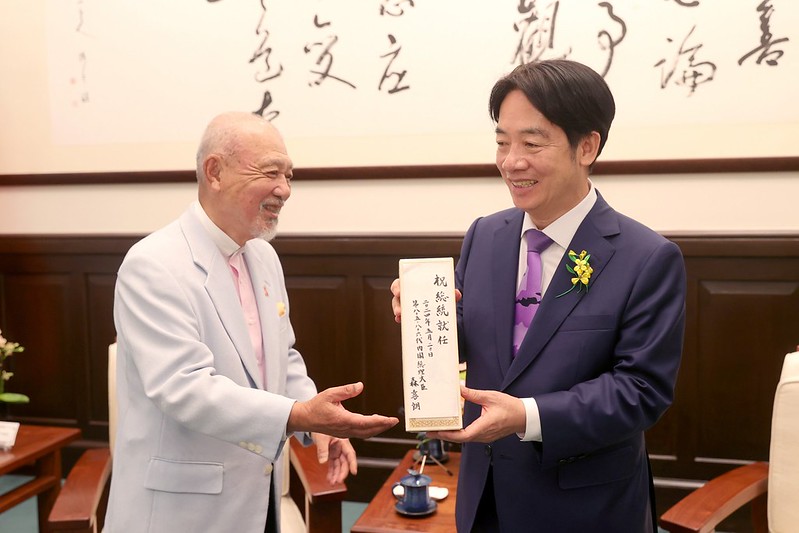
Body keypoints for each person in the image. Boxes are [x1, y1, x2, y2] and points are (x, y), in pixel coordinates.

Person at [391, 59, 686, 532]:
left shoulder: (647, 257)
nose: (512, 162)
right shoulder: (485, 234)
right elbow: (469, 336)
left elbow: (640, 390)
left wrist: (526, 416)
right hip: (484, 496)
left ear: (587, 146)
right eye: (502, 143)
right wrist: (424, 314)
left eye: (531, 143)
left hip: (585, 510)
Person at [107, 111, 398, 532]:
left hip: (257, 499)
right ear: (215, 172)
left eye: (289, 175)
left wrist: (320, 422)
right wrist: (299, 415)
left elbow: (283, 357)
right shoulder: (153, 264)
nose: (285, 189)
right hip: (181, 511)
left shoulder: (263, 255)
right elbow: (184, 388)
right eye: (270, 172)